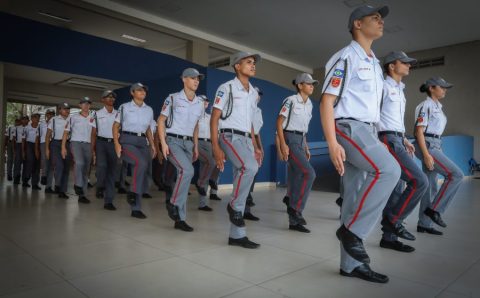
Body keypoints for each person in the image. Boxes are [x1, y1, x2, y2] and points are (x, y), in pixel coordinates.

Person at [320, 5, 400, 283]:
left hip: (367, 130)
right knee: (390, 170)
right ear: (357, 24)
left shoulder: (374, 64)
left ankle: (350, 264)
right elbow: (327, 102)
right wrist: (332, 143)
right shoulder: (345, 58)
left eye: (381, 19)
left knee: (353, 198)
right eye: (374, 17)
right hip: (348, 127)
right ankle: (352, 233)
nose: (380, 22)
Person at [378, 51, 429, 252]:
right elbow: (373, 113)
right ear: (391, 65)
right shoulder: (382, 86)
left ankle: (388, 239)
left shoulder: (400, 89)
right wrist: (377, 138)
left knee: (397, 189)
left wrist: (404, 138)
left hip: (397, 138)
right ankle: (394, 220)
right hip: (387, 139)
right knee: (420, 181)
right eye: (405, 62)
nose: (409, 66)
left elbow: (395, 119)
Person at [211, 51, 263, 249]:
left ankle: (237, 236)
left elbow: (250, 122)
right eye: (248, 62)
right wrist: (215, 146)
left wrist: (256, 146)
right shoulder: (226, 88)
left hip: (246, 139)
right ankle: (234, 205)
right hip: (229, 135)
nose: (253, 65)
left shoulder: (253, 93)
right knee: (249, 168)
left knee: (241, 175)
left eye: (254, 63)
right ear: (237, 66)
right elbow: (215, 117)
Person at [414, 77, 464, 235]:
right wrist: (427, 154)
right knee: (456, 175)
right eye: (442, 87)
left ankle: (424, 224)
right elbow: (419, 132)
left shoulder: (438, 107)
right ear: (431, 88)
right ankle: (434, 210)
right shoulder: (426, 105)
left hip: (436, 144)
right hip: (427, 145)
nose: (445, 90)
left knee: (431, 186)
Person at [158, 68, 204, 232]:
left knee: (183, 177)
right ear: (183, 79)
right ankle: (174, 204)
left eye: (198, 78)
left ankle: (180, 219)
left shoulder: (199, 103)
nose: (196, 81)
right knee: (187, 171)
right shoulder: (172, 98)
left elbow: (197, 126)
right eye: (192, 78)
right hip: (173, 141)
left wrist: (196, 145)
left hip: (189, 144)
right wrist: (163, 144)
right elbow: (161, 120)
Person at [277, 73, 317, 233]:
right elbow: (279, 123)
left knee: (295, 177)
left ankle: (294, 223)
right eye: (308, 83)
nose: (312, 86)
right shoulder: (291, 101)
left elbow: (303, 129)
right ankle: (295, 208)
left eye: (313, 84)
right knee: (309, 173)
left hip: (300, 140)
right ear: (300, 85)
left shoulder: (310, 104)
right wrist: (283, 145)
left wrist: (306, 147)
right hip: (290, 139)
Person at [113, 83, 156, 219]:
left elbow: (148, 129)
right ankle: (132, 192)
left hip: (143, 142)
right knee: (141, 164)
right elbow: (115, 126)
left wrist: (153, 145)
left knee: (143, 169)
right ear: (132, 92)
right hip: (127, 140)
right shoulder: (124, 107)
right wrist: (116, 144)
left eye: (144, 90)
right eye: (139, 90)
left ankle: (136, 208)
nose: (143, 92)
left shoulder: (149, 109)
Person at [62, 97, 94, 204]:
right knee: (79, 163)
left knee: (86, 170)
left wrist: (93, 150)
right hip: (76, 143)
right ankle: (77, 184)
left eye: (88, 104)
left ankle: (82, 195)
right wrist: (63, 147)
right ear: (80, 105)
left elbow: (94, 134)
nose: (86, 105)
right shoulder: (73, 118)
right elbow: (66, 132)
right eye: (84, 103)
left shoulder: (93, 118)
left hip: (88, 145)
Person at [92, 90, 119, 210]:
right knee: (102, 166)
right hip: (101, 143)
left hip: (114, 143)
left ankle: (109, 201)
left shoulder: (118, 114)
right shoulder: (96, 114)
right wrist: (92, 148)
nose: (111, 99)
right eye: (108, 97)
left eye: (112, 97)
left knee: (112, 172)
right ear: (102, 100)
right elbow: (93, 133)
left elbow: (121, 130)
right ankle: (100, 185)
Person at [243, 86, 264, 221]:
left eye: (259, 94)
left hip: (255, 142)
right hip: (245, 140)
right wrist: (255, 146)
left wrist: (260, 147)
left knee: (254, 173)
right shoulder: (246, 107)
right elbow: (249, 129)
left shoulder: (258, 111)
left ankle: (247, 208)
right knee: (247, 173)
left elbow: (257, 131)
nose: (258, 96)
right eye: (256, 93)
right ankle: (243, 207)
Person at [46, 103, 71, 198]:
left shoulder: (71, 119)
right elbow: (48, 135)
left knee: (66, 168)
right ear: (60, 110)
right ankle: (57, 184)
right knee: (59, 165)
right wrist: (47, 149)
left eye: (68, 109)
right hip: (55, 144)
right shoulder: (54, 120)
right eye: (65, 109)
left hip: (68, 144)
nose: (67, 110)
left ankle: (62, 191)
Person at [195, 95, 215, 212]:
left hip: (209, 144)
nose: (206, 102)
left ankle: (202, 204)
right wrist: (195, 146)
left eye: (207, 101)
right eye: (203, 101)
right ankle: (200, 183)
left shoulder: (209, 117)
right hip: (198, 143)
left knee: (205, 171)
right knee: (210, 162)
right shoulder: (194, 116)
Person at [22, 113, 41, 189]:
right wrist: (23, 151)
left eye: (39, 118)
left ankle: (35, 184)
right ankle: (26, 180)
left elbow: (39, 138)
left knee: (37, 164)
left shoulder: (40, 127)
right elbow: (23, 139)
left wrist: (37, 149)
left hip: (38, 145)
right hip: (29, 145)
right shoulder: (26, 128)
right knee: (30, 162)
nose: (38, 119)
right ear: (32, 119)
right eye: (36, 118)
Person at [40, 110, 55, 190]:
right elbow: (39, 135)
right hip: (43, 143)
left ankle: (48, 186)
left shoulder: (55, 123)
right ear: (46, 115)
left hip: (52, 143)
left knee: (51, 165)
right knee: (45, 160)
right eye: (49, 114)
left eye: (52, 114)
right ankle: (43, 176)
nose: (50, 116)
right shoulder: (42, 124)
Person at [13, 116, 28, 185]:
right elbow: (14, 139)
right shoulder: (17, 128)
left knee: (26, 163)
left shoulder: (29, 127)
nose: (24, 121)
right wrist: (14, 149)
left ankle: (25, 181)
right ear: (21, 120)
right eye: (23, 119)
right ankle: (16, 179)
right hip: (19, 145)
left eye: (26, 119)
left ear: (28, 120)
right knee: (17, 163)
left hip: (28, 145)